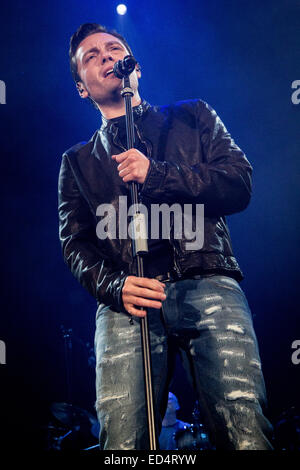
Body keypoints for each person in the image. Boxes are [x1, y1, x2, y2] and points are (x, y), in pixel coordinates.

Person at [58, 22, 273, 450]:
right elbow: (74, 243)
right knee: (123, 444)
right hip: (128, 302)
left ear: (135, 67)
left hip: (207, 279)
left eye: (114, 48)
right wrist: (116, 287)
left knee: (246, 432)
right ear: (81, 87)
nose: (105, 56)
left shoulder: (193, 116)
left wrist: (156, 174)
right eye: (91, 56)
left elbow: (238, 183)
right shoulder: (78, 162)